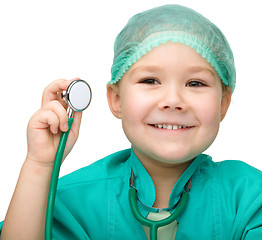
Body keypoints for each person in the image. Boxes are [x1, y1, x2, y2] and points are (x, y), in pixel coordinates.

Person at [1, 4, 262, 240]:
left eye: (195, 83)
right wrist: (40, 164)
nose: (172, 100)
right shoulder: (69, 202)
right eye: (150, 81)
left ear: (223, 104)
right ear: (116, 99)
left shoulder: (251, 198)